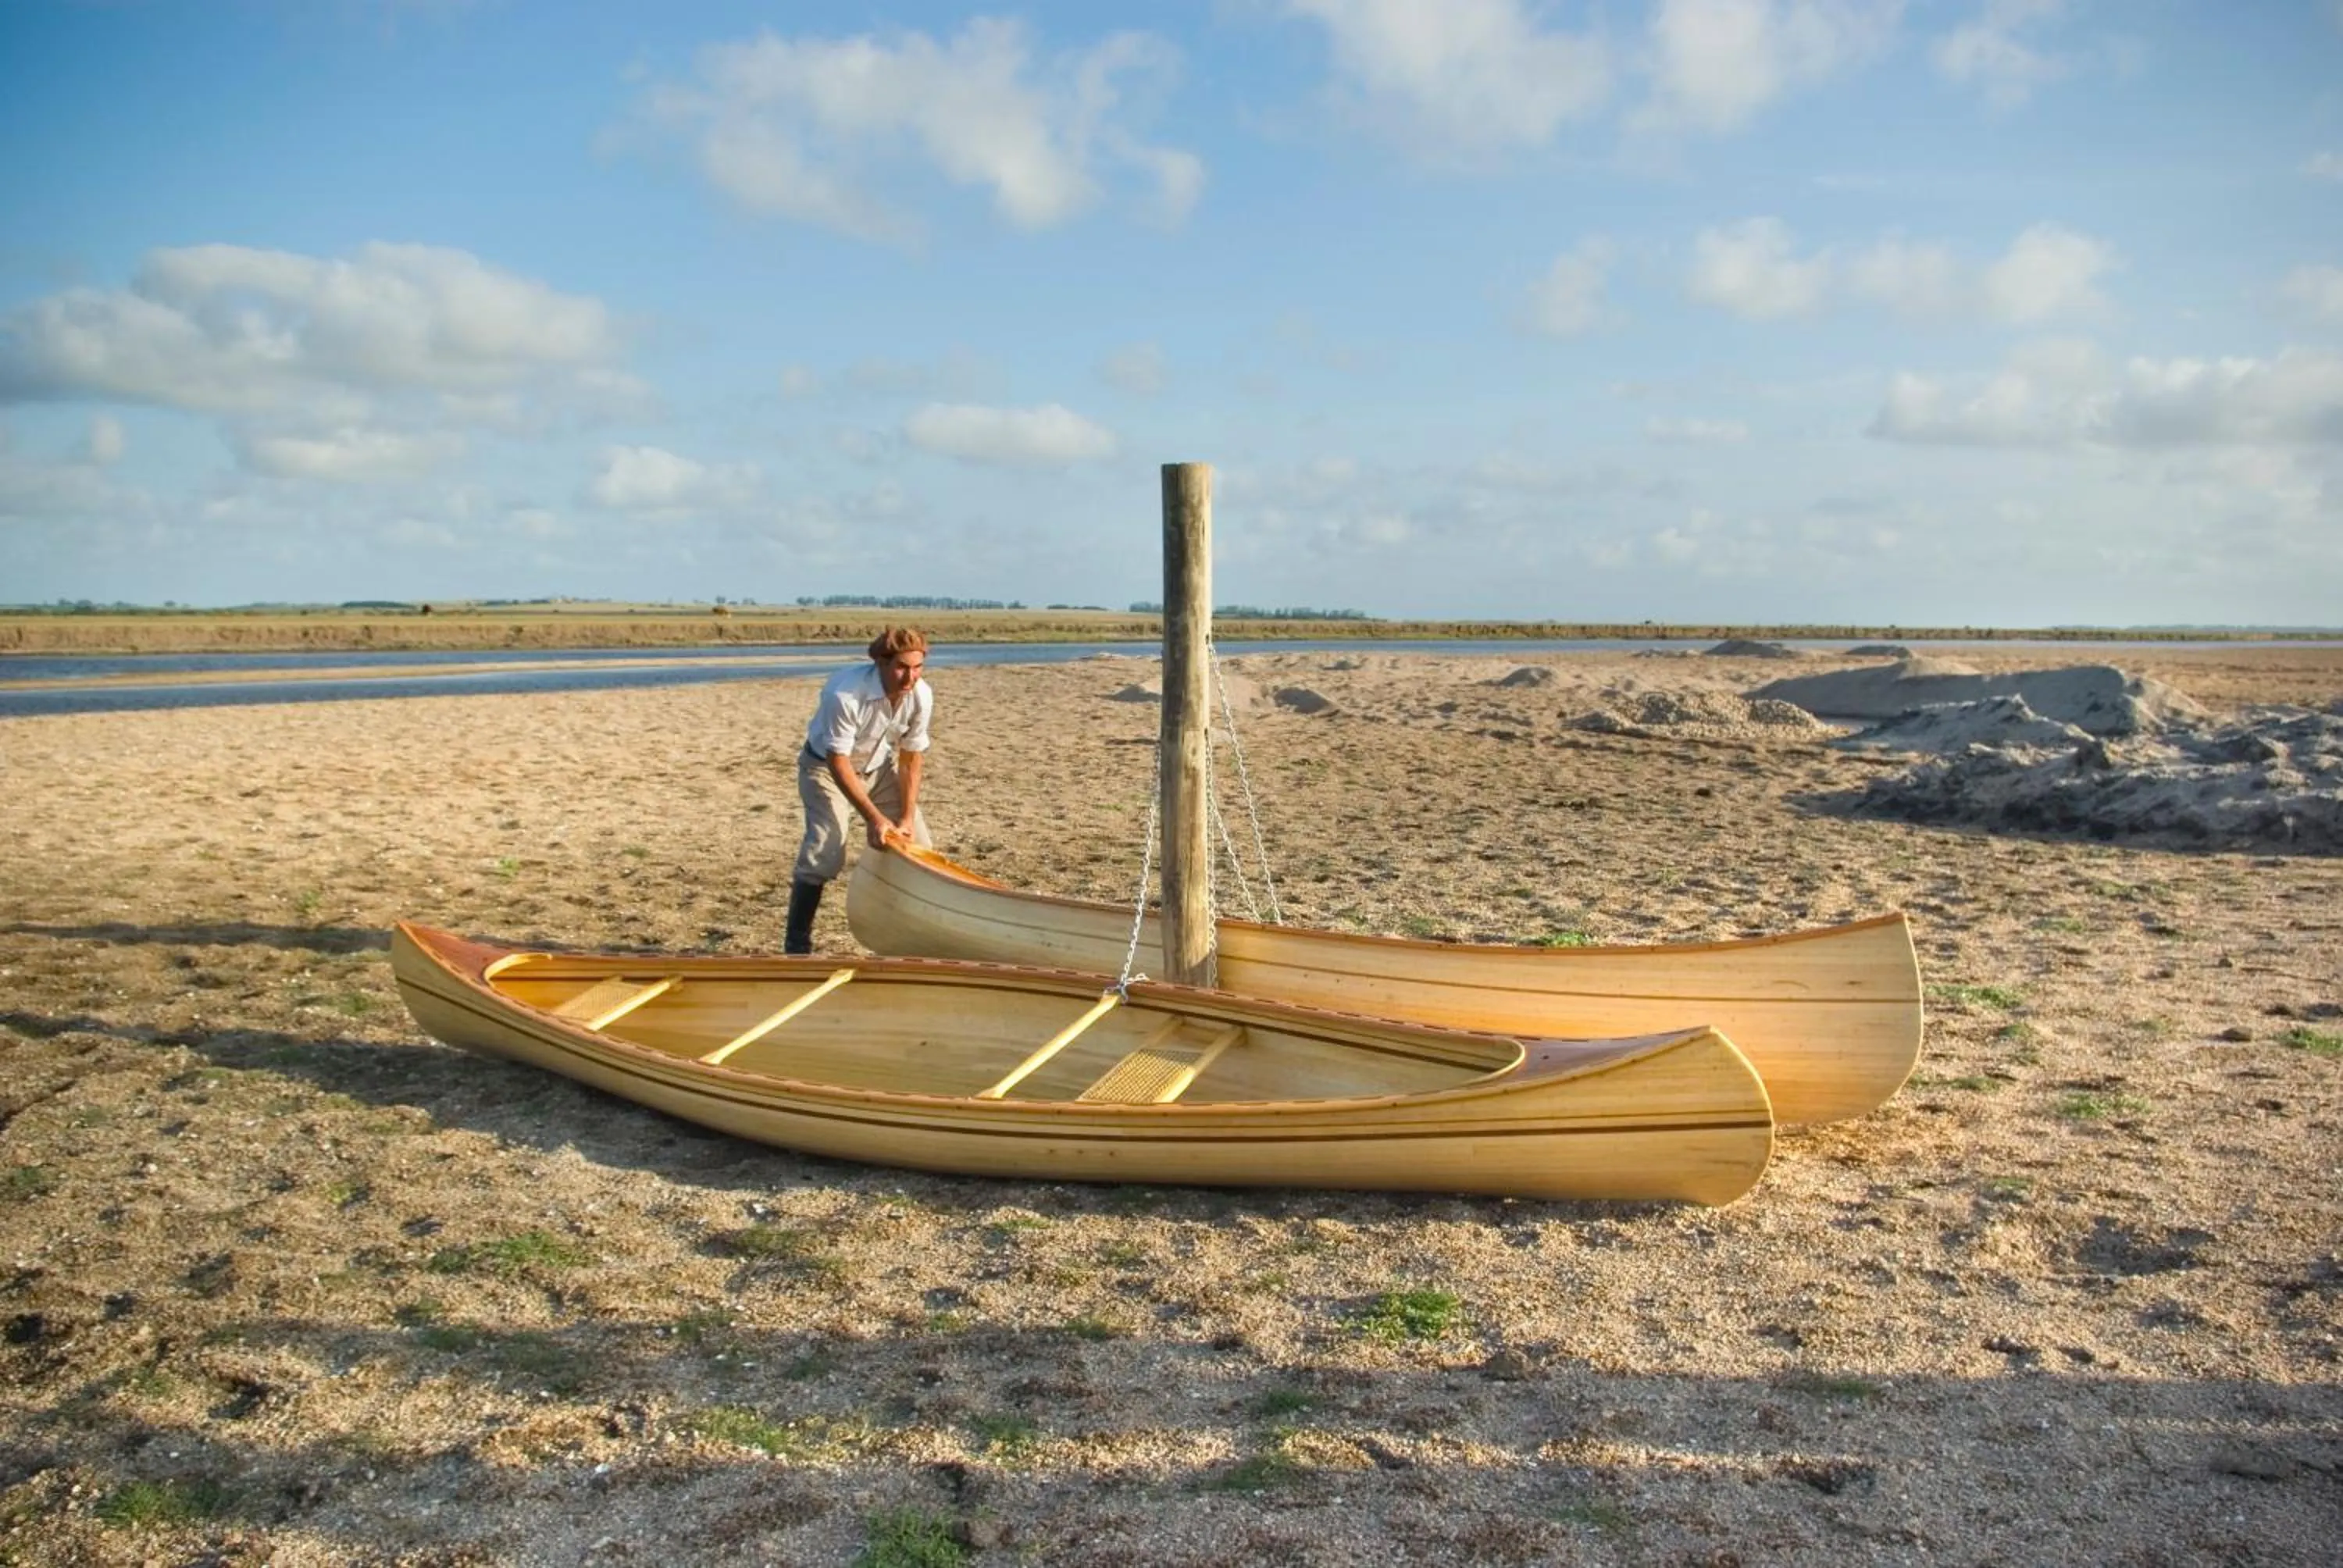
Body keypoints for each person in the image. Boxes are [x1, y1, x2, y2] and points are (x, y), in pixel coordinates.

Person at [786, 627, 934, 953]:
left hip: (877, 768)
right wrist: (874, 818)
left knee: (919, 846)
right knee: (825, 851)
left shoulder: (921, 694)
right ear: (880, 663)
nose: (910, 677)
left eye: (917, 667)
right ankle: (797, 943)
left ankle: (908, 931)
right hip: (825, 769)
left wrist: (906, 816)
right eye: (901, 667)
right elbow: (837, 760)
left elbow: (911, 756)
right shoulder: (845, 695)